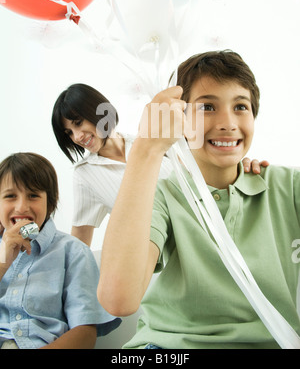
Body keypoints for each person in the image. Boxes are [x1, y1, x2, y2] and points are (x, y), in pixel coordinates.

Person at [98, 50, 300, 349]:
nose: (228, 123)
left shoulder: (288, 186)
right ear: (179, 119)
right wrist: (146, 150)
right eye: (207, 107)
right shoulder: (161, 197)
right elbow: (118, 299)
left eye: (240, 106)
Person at [51, 83, 266, 246]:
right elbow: (79, 244)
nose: (77, 136)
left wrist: (240, 168)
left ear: (97, 111)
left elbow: (206, 176)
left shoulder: (153, 138)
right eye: (69, 132)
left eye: (78, 123)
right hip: (159, 260)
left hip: (209, 237)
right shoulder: (86, 175)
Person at [0, 152, 120, 349]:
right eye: (10, 196)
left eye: (33, 195)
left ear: (50, 202)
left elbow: (85, 333)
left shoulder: (73, 252)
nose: (21, 206)